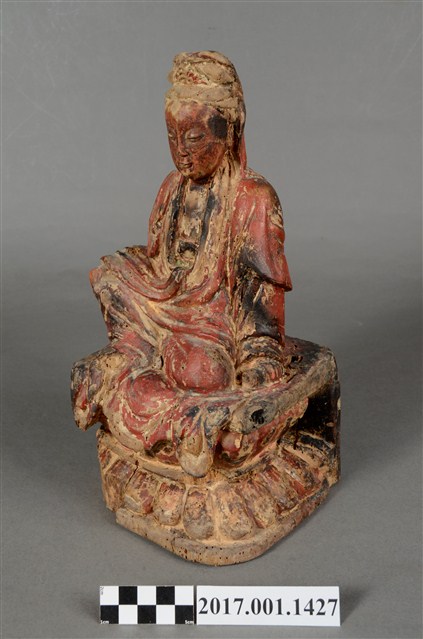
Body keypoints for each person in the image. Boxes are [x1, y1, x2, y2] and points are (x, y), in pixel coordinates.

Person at [72, 51, 292, 477]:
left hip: (214, 328)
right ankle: (149, 373)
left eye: (193, 138)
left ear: (229, 131)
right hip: (167, 313)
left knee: (202, 371)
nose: (181, 153)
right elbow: (158, 267)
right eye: (172, 138)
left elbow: (261, 312)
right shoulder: (172, 187)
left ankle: (162, 403)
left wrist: (258, 364)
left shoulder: (252, 199)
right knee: (111, 274)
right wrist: (142, 290)